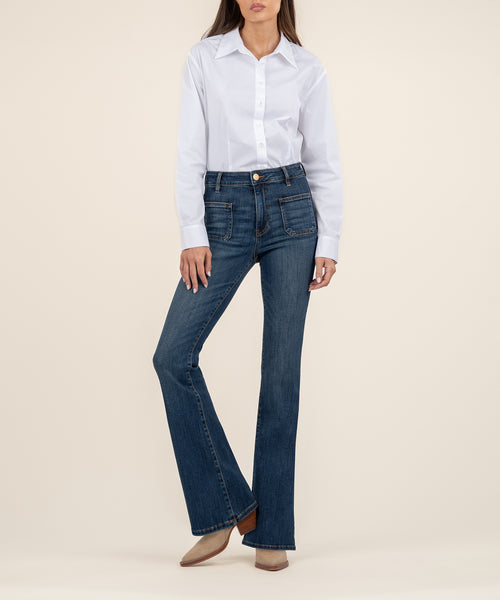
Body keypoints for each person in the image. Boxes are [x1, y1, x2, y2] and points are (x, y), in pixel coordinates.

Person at [152, 0, 343, 571]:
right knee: (172, 356)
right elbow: (190, 151)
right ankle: (227, 507)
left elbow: (323, 159)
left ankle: (273, 530)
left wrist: (329, 240)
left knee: (281, 375)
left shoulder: (307, 68)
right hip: (223, 212)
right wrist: (192, 232)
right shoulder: (205, 59)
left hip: (292, 213)